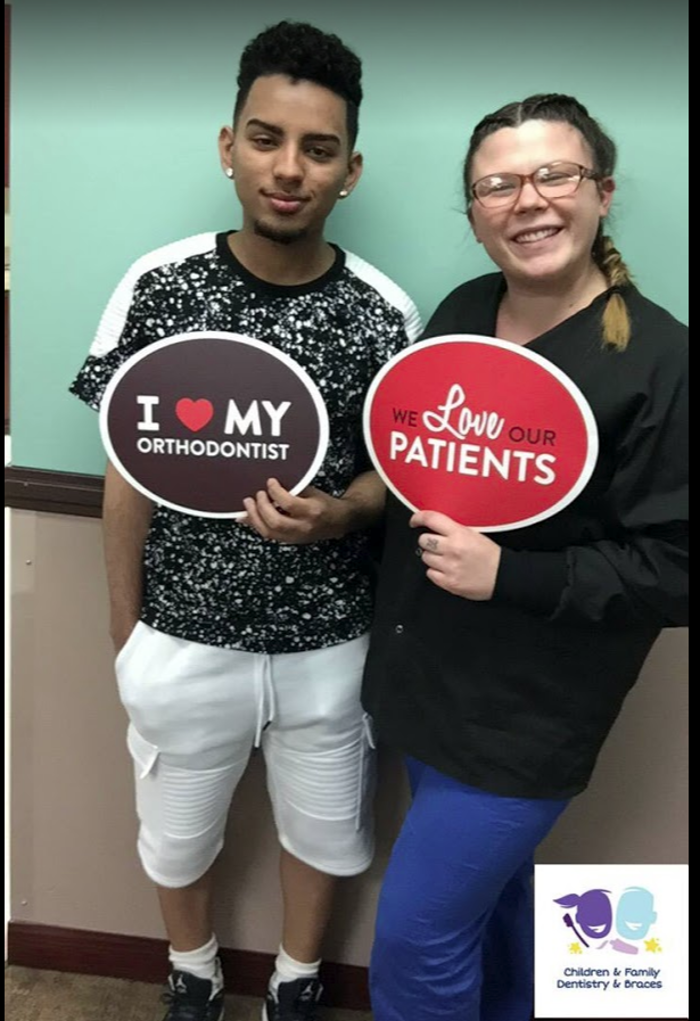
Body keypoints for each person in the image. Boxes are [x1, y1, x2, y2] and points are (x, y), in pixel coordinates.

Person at [69, 20, 421, 1021]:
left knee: (328, 836)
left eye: (318, 148)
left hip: (330, 645)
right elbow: (126, 471)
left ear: (350, 169)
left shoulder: (385, 312)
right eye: (266, 139)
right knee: (176, 838)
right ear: (229, 146)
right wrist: (126, 629)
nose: (289, 168)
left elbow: (392, 475)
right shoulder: (159, 286)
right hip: (181, 638)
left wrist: (342, 512)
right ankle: (193, 972)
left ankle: (297, 983)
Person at [361, 92, 688, 1021]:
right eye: (498, 185)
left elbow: (676, 568)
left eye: (555, 174)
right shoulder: (464, 309)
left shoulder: (663, 361)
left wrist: (512, 572)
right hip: (423, 686)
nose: (528, 200)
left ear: (602, 193)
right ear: (474, 214)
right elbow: (418, 460)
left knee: (418, 942)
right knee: (497, 915)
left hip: (523, 725)